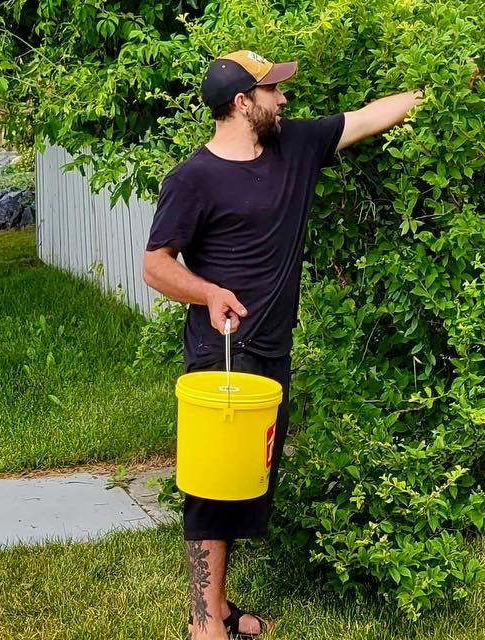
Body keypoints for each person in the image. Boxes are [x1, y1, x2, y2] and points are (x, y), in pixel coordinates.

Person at [142, 50, 422, 640]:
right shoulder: (192, 179)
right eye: (272, 91)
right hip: (221, 354)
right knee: (211, 490)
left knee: (246, 486)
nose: (284, 99)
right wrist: (208, 292)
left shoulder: (294, 147)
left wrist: (433, 93)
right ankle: (203, 625)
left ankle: (218, 608)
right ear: (242, 103)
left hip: (272, 351)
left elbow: (369, 117)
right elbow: (155, 266)